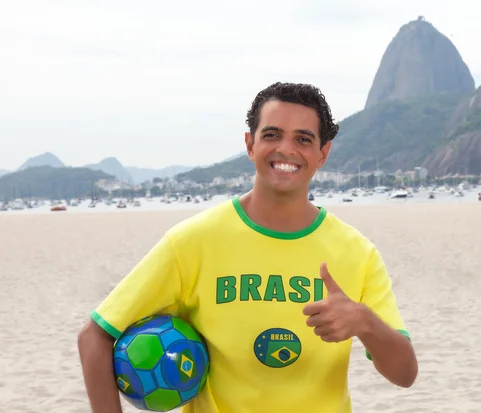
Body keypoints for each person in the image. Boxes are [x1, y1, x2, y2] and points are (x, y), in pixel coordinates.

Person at [78, 82, 418, 413]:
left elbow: (405, 374)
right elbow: (95, 336)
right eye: (271, 134)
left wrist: (364, 322)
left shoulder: (357, 253)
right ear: (250, 144)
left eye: (303, 138)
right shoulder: (194, 242)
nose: (286, 148)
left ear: (322, 154)